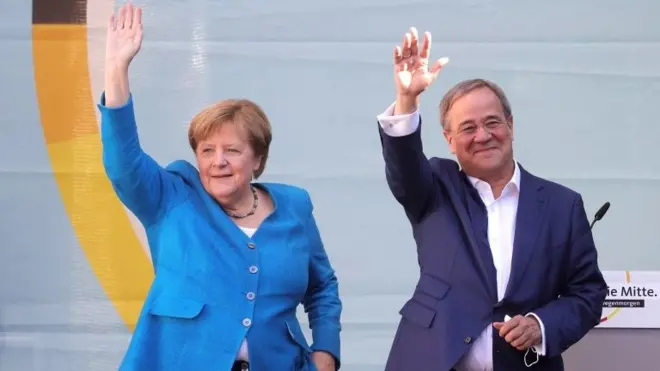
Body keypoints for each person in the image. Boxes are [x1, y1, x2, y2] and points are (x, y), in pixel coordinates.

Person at [99, 3, 341, 371]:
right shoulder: (173, 196)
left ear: (257, 159)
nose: (218, 161)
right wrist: (116, 71)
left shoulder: (294, 206)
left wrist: (325, 354)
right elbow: (123, 164)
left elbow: (322, 287)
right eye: (207, 150)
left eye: (232, 150)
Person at [376, 27, 607, 371]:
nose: (483, 136)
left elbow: (587, 293)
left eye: (492, 122)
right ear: (449, 140)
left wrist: (540, 325)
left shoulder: (562, 205)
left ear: (510, 126)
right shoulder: (434, 188)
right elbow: (404, 164)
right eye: (468, 128)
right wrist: (407, 100)